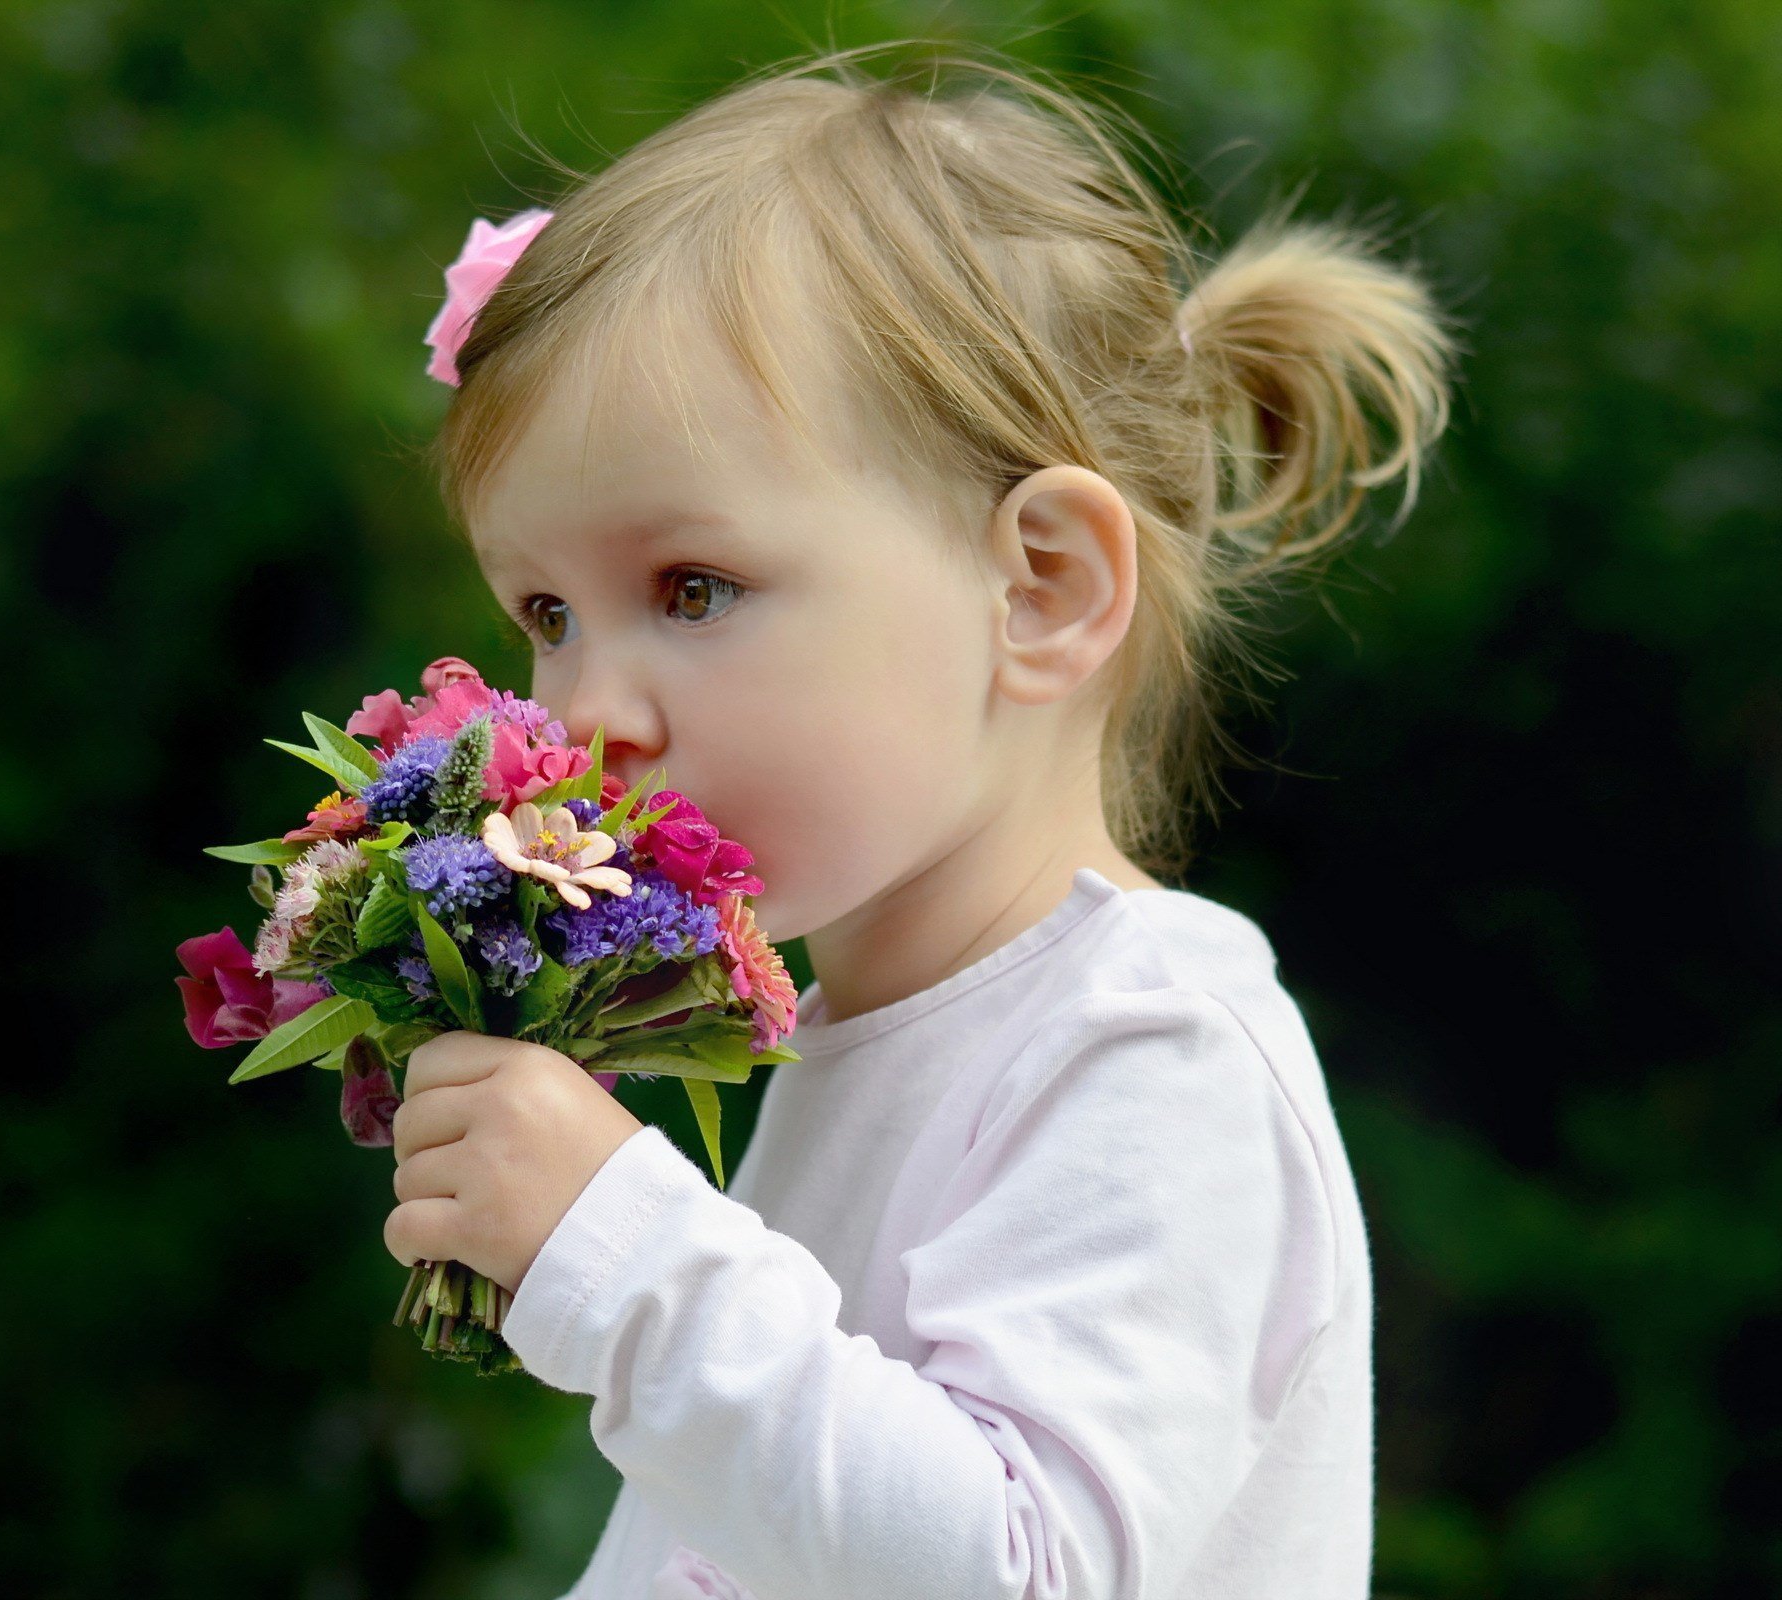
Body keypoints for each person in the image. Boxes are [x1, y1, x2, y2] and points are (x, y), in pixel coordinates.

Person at [380, 41, 1458, 1600]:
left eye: (692, 588)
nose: (582, 710)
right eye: (546, 610)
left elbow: (1019, 1570)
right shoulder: (859, 1036)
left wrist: (622, 1255)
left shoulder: (1151, 1055)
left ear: (1042, 590)